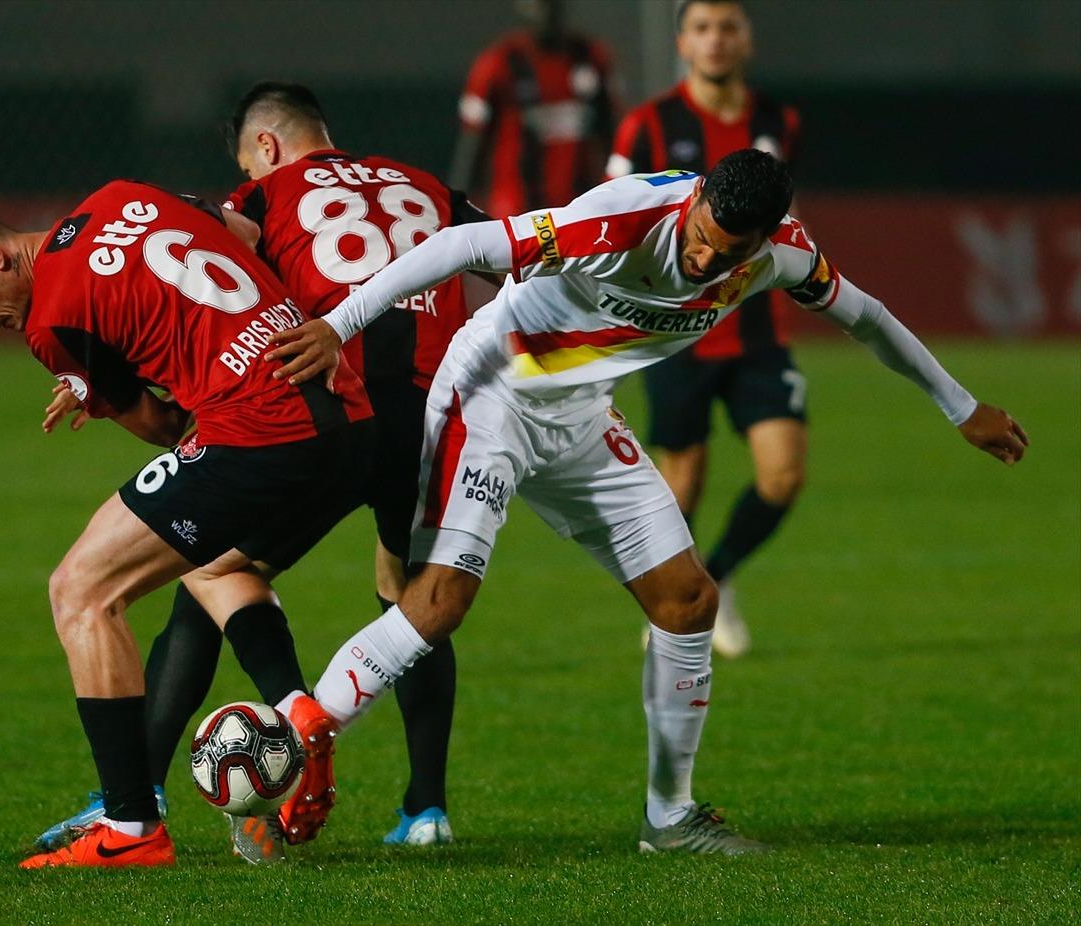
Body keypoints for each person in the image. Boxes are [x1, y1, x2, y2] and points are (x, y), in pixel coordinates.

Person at [265, 149, 1028, 854]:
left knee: (689, 599)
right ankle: (296, 748)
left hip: (582, 416)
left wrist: (960, 407)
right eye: (701, 238)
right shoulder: (622, 217)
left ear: (761, 244)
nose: (704, 260)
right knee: (437, 605)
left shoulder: (782, 255)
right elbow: (462, 248)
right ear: (695, 200)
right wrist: (338, 323)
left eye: (730, 255)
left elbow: (865, 316)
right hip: (493, 395)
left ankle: (670, 816)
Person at [33, 82, 496, 860]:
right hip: (430, 416)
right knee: (411, 603)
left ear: (267, 147)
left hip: (328, 410)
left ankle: (135, 794)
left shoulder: (266, 190)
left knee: (206, 574)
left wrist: (102, 369)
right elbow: (505, 253)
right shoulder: (422, 183)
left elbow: (213, 244)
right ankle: (427, 808)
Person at [0, 182, 374, 867]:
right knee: (216, 566)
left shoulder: (53, 320)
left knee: (82, 589)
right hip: (342, 412)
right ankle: (298, 709)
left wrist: (96, 387)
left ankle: (130, 826)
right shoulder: (123, 194)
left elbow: (160, 425)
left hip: (260, 431)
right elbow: (242, 233)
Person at [607, 0, 802, 658]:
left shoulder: (780, 120)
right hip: (675, 330)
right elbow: (618, 215)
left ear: (746, 39)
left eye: (727, 27)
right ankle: (678, 602)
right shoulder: (650, 123)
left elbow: (786, 218)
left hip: (756, 330)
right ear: (683, 43)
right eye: (702, 28)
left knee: (782, 476)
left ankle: (715, 579)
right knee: (683, 477)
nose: (715, 40)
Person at [450, 0, 618, 217]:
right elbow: (473, 142)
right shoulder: (498, 63)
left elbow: (609, 131)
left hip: (580, 203)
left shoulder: (590, 56)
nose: (544, 13)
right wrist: (458, 207)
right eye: (537, 5)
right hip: (517, 207)